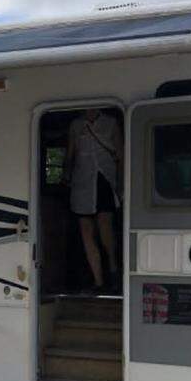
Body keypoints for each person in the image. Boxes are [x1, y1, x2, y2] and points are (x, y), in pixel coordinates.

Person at [64, 108, 122, 293]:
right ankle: (99, 281)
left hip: (104, 179)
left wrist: (121, 184)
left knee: (105, 227)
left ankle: (113, 271)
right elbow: (71, 152)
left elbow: (120, 154)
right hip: (82, 182)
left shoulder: (111, 123)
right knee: (86, 231)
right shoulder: (75, 124)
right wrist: (66, 175)